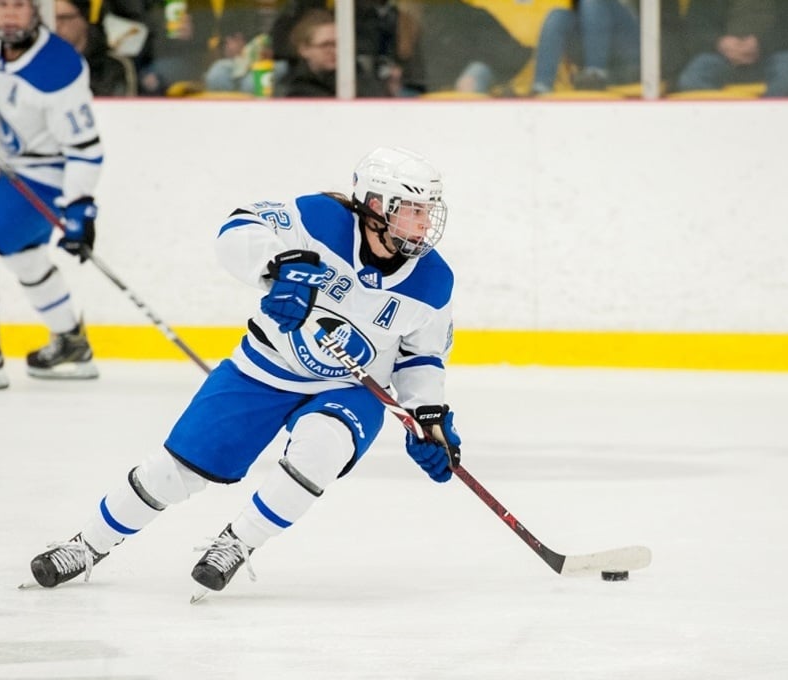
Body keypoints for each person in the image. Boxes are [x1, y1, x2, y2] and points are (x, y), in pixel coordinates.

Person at [27, 146, 463, 598]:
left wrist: (426, 415)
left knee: (321, 448)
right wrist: (278, 267)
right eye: (412, 209)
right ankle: (87, 545)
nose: (424, 222)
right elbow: (238, 228)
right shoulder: (318, 218)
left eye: (428, 210)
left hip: (350, 387)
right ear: (375, 206)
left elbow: (421, 357)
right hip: (264, 366)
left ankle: (237, 543)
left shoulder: (433, 281)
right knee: (173, 472)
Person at [0, 0, 104, 389]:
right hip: (15, 171)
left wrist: (79, 206)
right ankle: (71, 344)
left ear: (36, 11)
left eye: (19, 6)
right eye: (2, 5)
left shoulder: (60, 68)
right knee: (24, 256)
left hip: (47, 178)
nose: (9, 15)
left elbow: (86, 149)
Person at [675, 0, 788, 97]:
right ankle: (726, 128)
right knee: (692, 78)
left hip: (780, 52)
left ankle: (765, 126)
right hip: (723, 56)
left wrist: (762, 44)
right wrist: (719, 42)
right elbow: (695, 25)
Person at [274, 9, 395, 97]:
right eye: (325, 45)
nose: (334, 51)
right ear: (304, 50)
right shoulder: (293, 88)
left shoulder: (359, 77)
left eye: (338, 44)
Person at [54, 0, 137, 96]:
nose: (56, 25)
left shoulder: (114, 65)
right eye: (52, 19)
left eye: (63, 18)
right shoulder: (44, 62)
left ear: (84, 20)